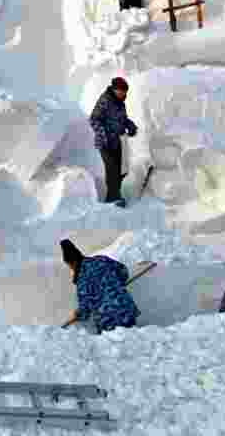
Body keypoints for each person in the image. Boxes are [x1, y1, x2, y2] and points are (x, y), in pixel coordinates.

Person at [59, 239, 140, 334]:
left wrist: (77, 313)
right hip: (126, 310)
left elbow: (85, 311)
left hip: (109, 320)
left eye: (70, 266)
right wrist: (114, 284)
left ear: (73, 262)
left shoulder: (82, 281)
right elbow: (124, 272)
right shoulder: (101, 260)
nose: (71, 269)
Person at [89, 77, 137, 207]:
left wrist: (130, 125)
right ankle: (112, 199)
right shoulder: (105, 100)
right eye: (121, 91)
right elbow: (94, 119)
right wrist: (103, 136)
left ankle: (116, 193)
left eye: (125, 91)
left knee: (123, 170)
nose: (123, 94)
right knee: (112, 171)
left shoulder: (120, 102)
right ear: (115, 89)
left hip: (119, 140)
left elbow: (123, 119)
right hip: (106, 143)